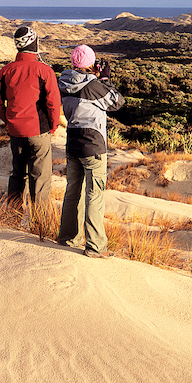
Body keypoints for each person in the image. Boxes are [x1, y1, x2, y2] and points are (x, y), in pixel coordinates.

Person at [57, 44, 123, 257]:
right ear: (92, 64)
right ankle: (95, 246)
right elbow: (117, 102)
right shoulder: (93, 86)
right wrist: (104, 80)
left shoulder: (63, 81)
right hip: (93, 143)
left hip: (73, 139)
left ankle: (68, 238)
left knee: (72, 190)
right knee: (95, 194)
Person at [0, 25, 63, 206]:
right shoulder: (45, 71)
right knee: (40, 178)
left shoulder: (6, 71)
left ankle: (13, 217)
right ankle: (39, 225)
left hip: (16, 131)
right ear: (34, 44)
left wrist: (9, 120)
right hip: (39, 131)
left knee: (17, 174)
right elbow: (53, 103)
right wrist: (53, 126)